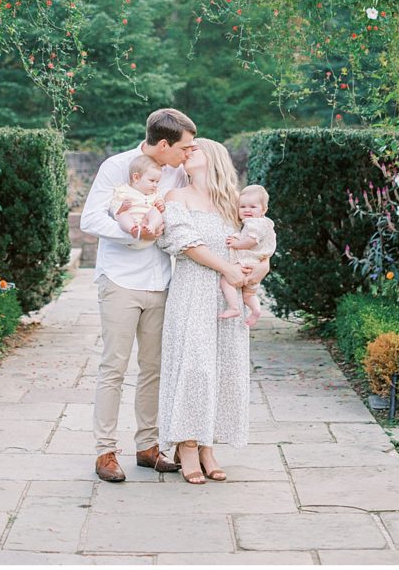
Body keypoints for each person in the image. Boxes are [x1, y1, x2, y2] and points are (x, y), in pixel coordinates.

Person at [81, 108, 197, 483]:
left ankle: (148, 447)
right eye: (184, 147)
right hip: (119, 280)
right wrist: (134, 232)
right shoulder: (117, 166)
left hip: (162, 280)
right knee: (113, 367)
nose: (187, 154)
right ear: (163, 145)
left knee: (154, 368)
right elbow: (90, 219)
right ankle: (105, 451)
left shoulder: (180, 171)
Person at [156, 139, 271, 484]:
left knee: (223, 368)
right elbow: (186, 243)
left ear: (215, 157)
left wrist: (257, 270)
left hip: (228, 296)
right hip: (192, 290)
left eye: (196, 149)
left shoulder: (233, 205)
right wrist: (228, 269)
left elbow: (261, 246)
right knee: (194, 367)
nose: (187, 152)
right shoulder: (177, 197)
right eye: (185, 150)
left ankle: (207, 445)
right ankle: (186, 445)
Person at [220, 183, 277, 327]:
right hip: (256, 264)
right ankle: (256, 310)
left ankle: (233, 307)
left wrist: (236, 244)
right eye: (243, 207)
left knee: (226, 281)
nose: (247, 210)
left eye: (252, 207)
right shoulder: (265, 223)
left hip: (247, 261)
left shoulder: (255, 224)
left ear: (263, 210)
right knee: (249, 295)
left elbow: (251, 241)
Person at [108, 154, 165, 248]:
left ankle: (151, 226)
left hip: (149, 232)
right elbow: (114, 206)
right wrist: (121, 208)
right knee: (123, 214)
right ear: (136, 178)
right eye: (152, 181)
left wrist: (160, 205)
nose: (155, 185)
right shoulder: (124, 191)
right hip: (131, 233)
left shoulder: (155, 194)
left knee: (155, 211)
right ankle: (133, 229)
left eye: (157, 182)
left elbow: (160, 202)